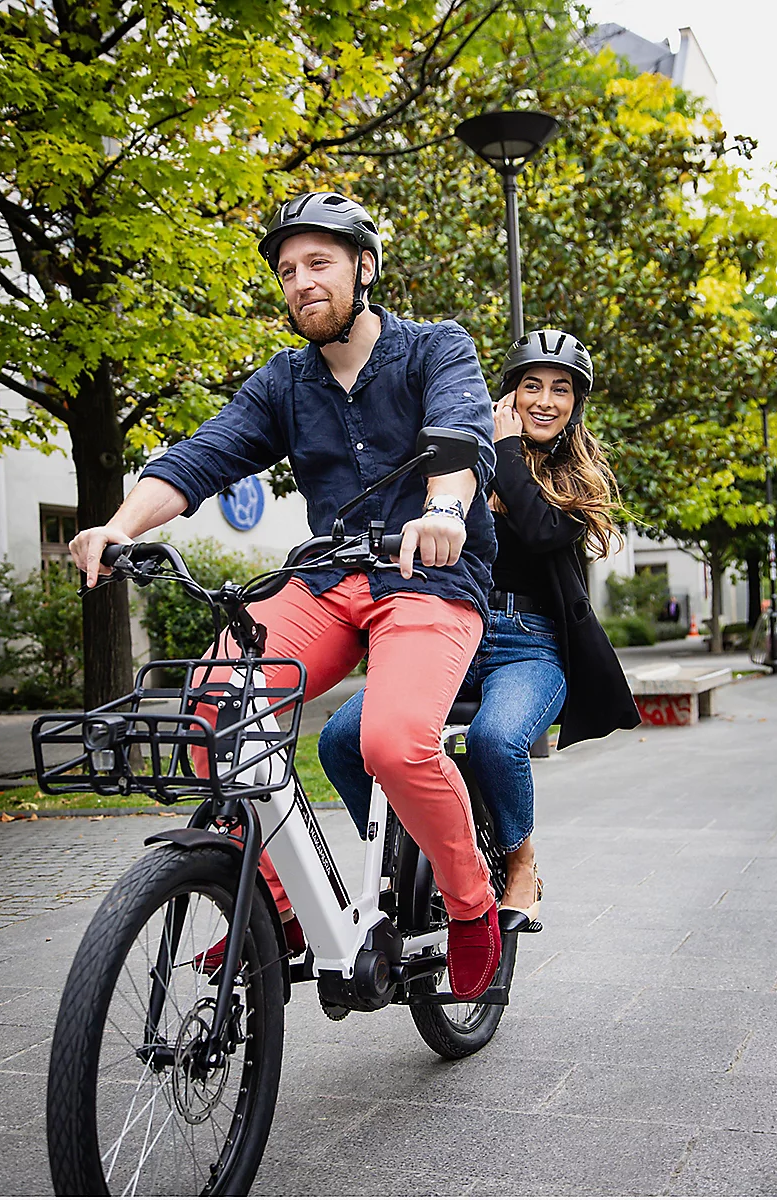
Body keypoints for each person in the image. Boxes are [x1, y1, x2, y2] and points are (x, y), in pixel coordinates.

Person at [68, 191, 504, 999]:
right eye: (287, 270)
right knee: (211, 708)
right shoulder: (284, 383)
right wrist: (118, 526)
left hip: (429, 578)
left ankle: (472, 901)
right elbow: (203, 456)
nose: (300, 281)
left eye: (319, 263)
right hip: (329, 579)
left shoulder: (435, 348)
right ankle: (280, 901)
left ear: (363, 268)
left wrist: (445, 509)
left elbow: (461, 434)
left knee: (393, 743)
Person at [318, 328, 641, 932]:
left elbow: (540, 532)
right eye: (532, 386)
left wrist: (507, 449)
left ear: (576, 404)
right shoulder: (467, 460)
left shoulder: (579, 479)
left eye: (561, 390)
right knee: (340, 739)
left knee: (496, 740)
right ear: (509, 393)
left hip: (529, 646)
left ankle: (522, 866)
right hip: (450, 632)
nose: (545, 400)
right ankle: (407, 852)